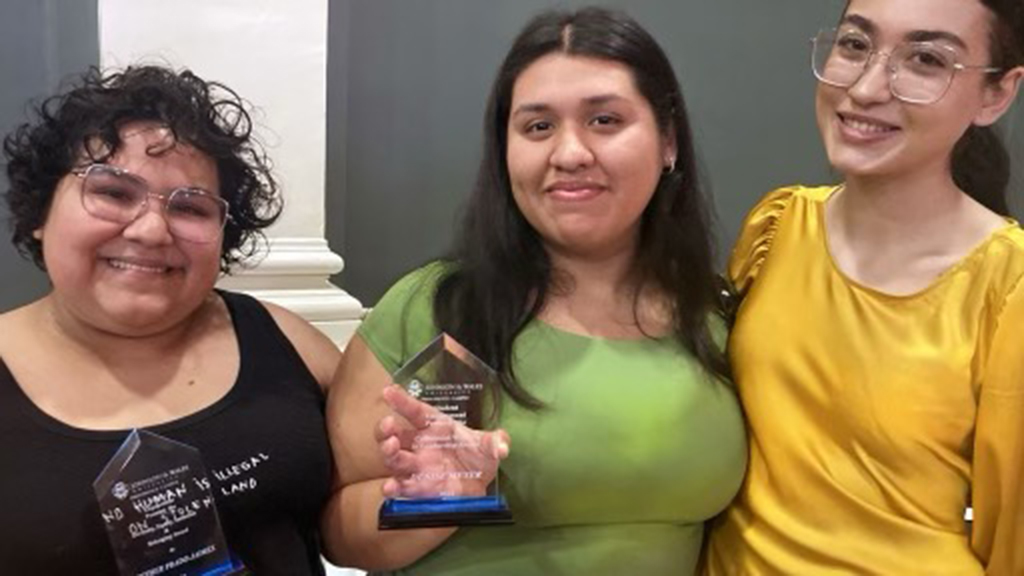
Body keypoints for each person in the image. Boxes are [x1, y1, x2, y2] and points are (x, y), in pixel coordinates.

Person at [321, 7, 747, 575]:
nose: (569, 154)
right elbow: (337, 534)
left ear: (668, 141)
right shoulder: (438, 310)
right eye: (538, 126)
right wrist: (436, 501)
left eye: (605, 120)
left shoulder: (717, 316)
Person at [703, 0, 1024, 573]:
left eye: (925, 59)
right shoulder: (777, 226)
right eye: (854, 45)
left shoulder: (1008, 287)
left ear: (996, 95)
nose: (869, 87)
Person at [0, 65, 340, 575]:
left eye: (192, 207)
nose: (153, 229)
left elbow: (364, 508)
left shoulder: (287, 340)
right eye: (114, 192)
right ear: (38, 214)